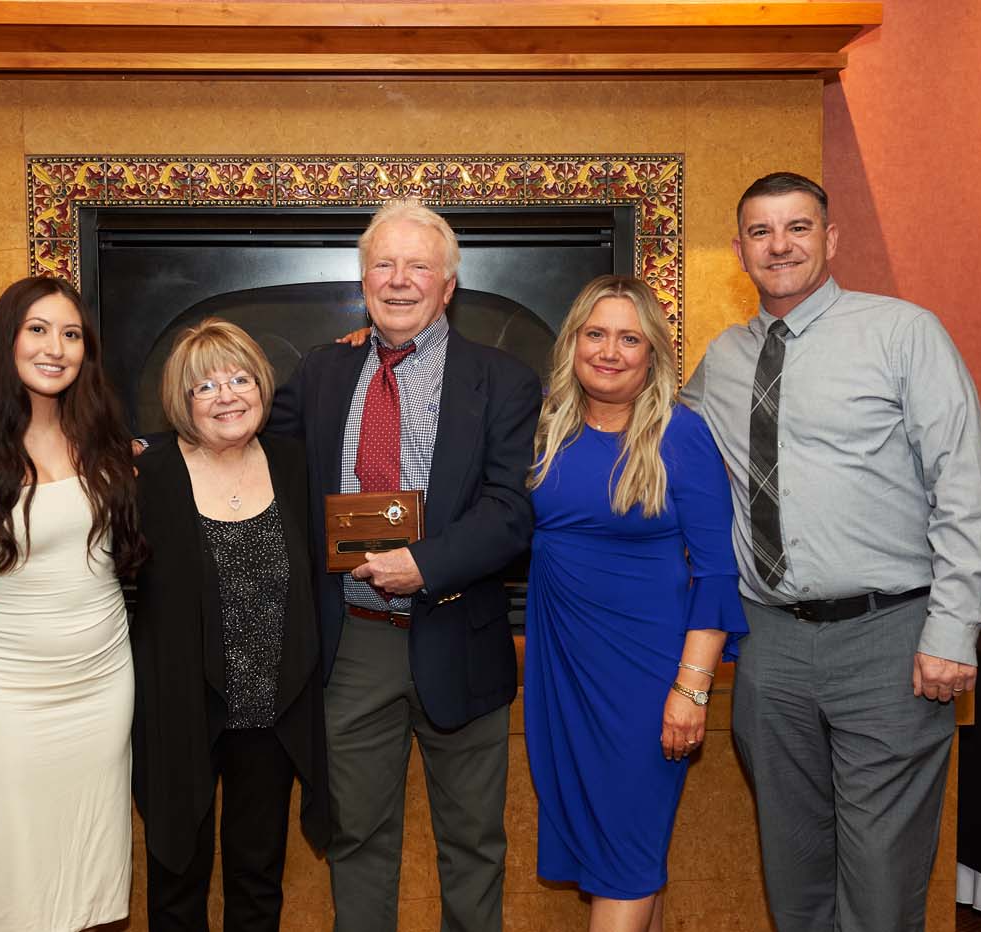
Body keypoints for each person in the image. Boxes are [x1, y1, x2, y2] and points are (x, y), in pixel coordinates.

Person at [680, 172, 981, 932]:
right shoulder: (722, 360)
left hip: (889, 639)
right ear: (739, 252)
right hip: (771, 648)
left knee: (882, 884)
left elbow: (963, 485)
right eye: (761, 232)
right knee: (794, 873)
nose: (780, 244)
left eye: (798, 227)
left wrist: (953, 631)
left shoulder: (903, 333)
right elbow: (650, 436)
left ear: (830, 238)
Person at [270, 199, 542, 932]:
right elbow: (252, 449)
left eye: (418, 265)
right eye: (382, 265)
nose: (398, 281)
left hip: (459, 630)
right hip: (353, 642)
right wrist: (143, 453)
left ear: (448, 284)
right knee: (355, 838)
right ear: (363, 280)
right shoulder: (325, 370)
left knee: (473, 845)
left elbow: (511, 512)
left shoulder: (505, 381)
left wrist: (425, 564)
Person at [523, 275, 747, 932]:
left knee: (625, 852)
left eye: (630, 338)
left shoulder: (681, 434)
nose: (610, 351)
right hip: (562, 668)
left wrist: (693, 688)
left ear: (653, 353)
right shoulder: (541, 425)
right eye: (596, 334)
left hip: (646, 676)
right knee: (614, 852)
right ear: (573, 344)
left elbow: (715, 571)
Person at [0, 275, 143, 930]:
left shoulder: (105, 433)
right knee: (13, 872)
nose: (55, 347)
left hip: (102, 678)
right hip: (4, 685)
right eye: (37, 329)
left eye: (70, 334)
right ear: (8, 337)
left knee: (89, 868)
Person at [132, 318, 329, 932]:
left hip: (271, 713)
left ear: (262, 386)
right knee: (176, 876)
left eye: (240, 378)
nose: (227, 396)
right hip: (182, 707)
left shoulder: (293, 463)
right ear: (182, 401)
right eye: (206, 386)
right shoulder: (151, 475)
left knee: (257, 876)